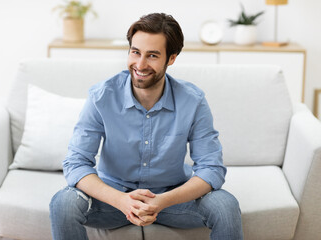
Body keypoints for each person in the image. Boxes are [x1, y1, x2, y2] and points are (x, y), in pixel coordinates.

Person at [49, 13, 243, 240]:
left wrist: (162, 201)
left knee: (226, 206)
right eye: (135, 52)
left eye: (152, 55)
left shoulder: (193, 101)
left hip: (172, 200)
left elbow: (211, 168)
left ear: (171, 59)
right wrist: (121, 200)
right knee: (63, 203)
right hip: (113, 200)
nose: (140, 64)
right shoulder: (101, 97)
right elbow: (76, 163)